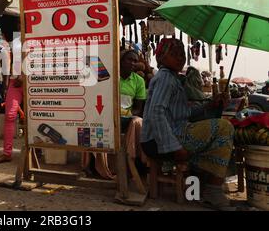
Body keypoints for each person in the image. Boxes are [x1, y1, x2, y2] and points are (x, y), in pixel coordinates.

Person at [140, 38, 235, 210]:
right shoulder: (165, 78)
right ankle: (212, 190)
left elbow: (184, 113)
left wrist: (210, 105)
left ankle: (204, 186)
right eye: (174, 53)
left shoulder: (173, 79)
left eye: (182, 53)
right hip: (157, 141)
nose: (180, 57)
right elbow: (157, 112)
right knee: (224, 128)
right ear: (161, 57)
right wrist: (174, 147)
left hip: (167, 135)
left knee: (218, 128)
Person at [81, 49, 147, 179]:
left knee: (138, 121)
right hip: (107, 115)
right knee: (93, 122)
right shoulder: (109, 76)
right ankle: (94, 166)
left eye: (135, 61)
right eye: (130, 60)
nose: (133, 63)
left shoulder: (138, 81)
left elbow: (138, 108)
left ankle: (135, 160)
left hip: (126, 119)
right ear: (121, 61)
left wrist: (126, 115)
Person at [0, 34, 23, 164]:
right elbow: (9, 62)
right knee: (10, 116)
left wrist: (24, 74)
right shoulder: (15, 41)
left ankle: (36, 150)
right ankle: (7, 153)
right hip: (15, 82)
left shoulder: (37, 38)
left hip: (34, 82)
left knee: (36, 117)